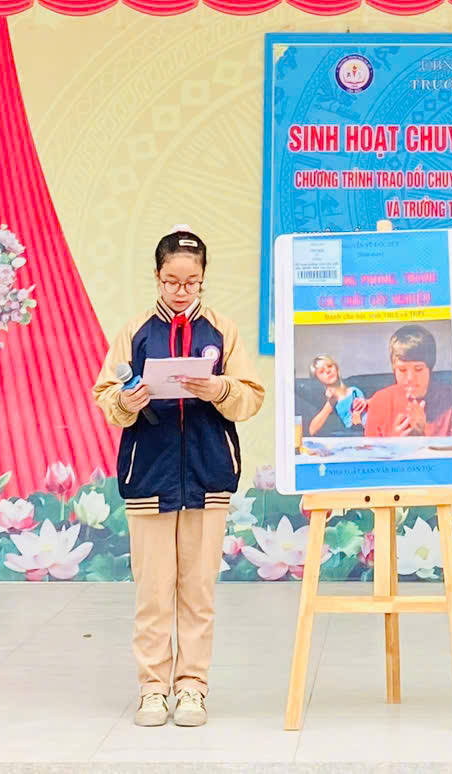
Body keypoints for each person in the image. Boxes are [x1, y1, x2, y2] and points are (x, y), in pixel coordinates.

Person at [92, 230, 266, 730]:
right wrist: (126, 400)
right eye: (172, 281)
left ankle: (192, 687)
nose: (181, 290)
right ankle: (152, 689)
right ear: (157, 276)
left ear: (204, 278)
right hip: (149, 475)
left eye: (192, 282)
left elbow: (251, 396)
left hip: (208, 476)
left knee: (198, 591)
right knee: (153, 592)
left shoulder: (223, 331)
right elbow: (105, 396)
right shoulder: (135, 332)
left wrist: (219, 389)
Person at [362, 323, 452, 436]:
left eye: (418, 369)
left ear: (430, 368)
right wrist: (393, 442)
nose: (410, 378)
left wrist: (424, 434)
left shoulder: (451, 400)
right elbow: (370, 447)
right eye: (402, 370)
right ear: (394, 369)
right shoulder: (379, 401)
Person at [296, 352, 364, 439]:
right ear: (317, 379)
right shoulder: (319, 401)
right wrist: (330, 403)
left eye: (329, 366)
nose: (328, 371)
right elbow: (312, 430)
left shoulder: (354, 391)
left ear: (336, 368)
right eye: (322, 371)